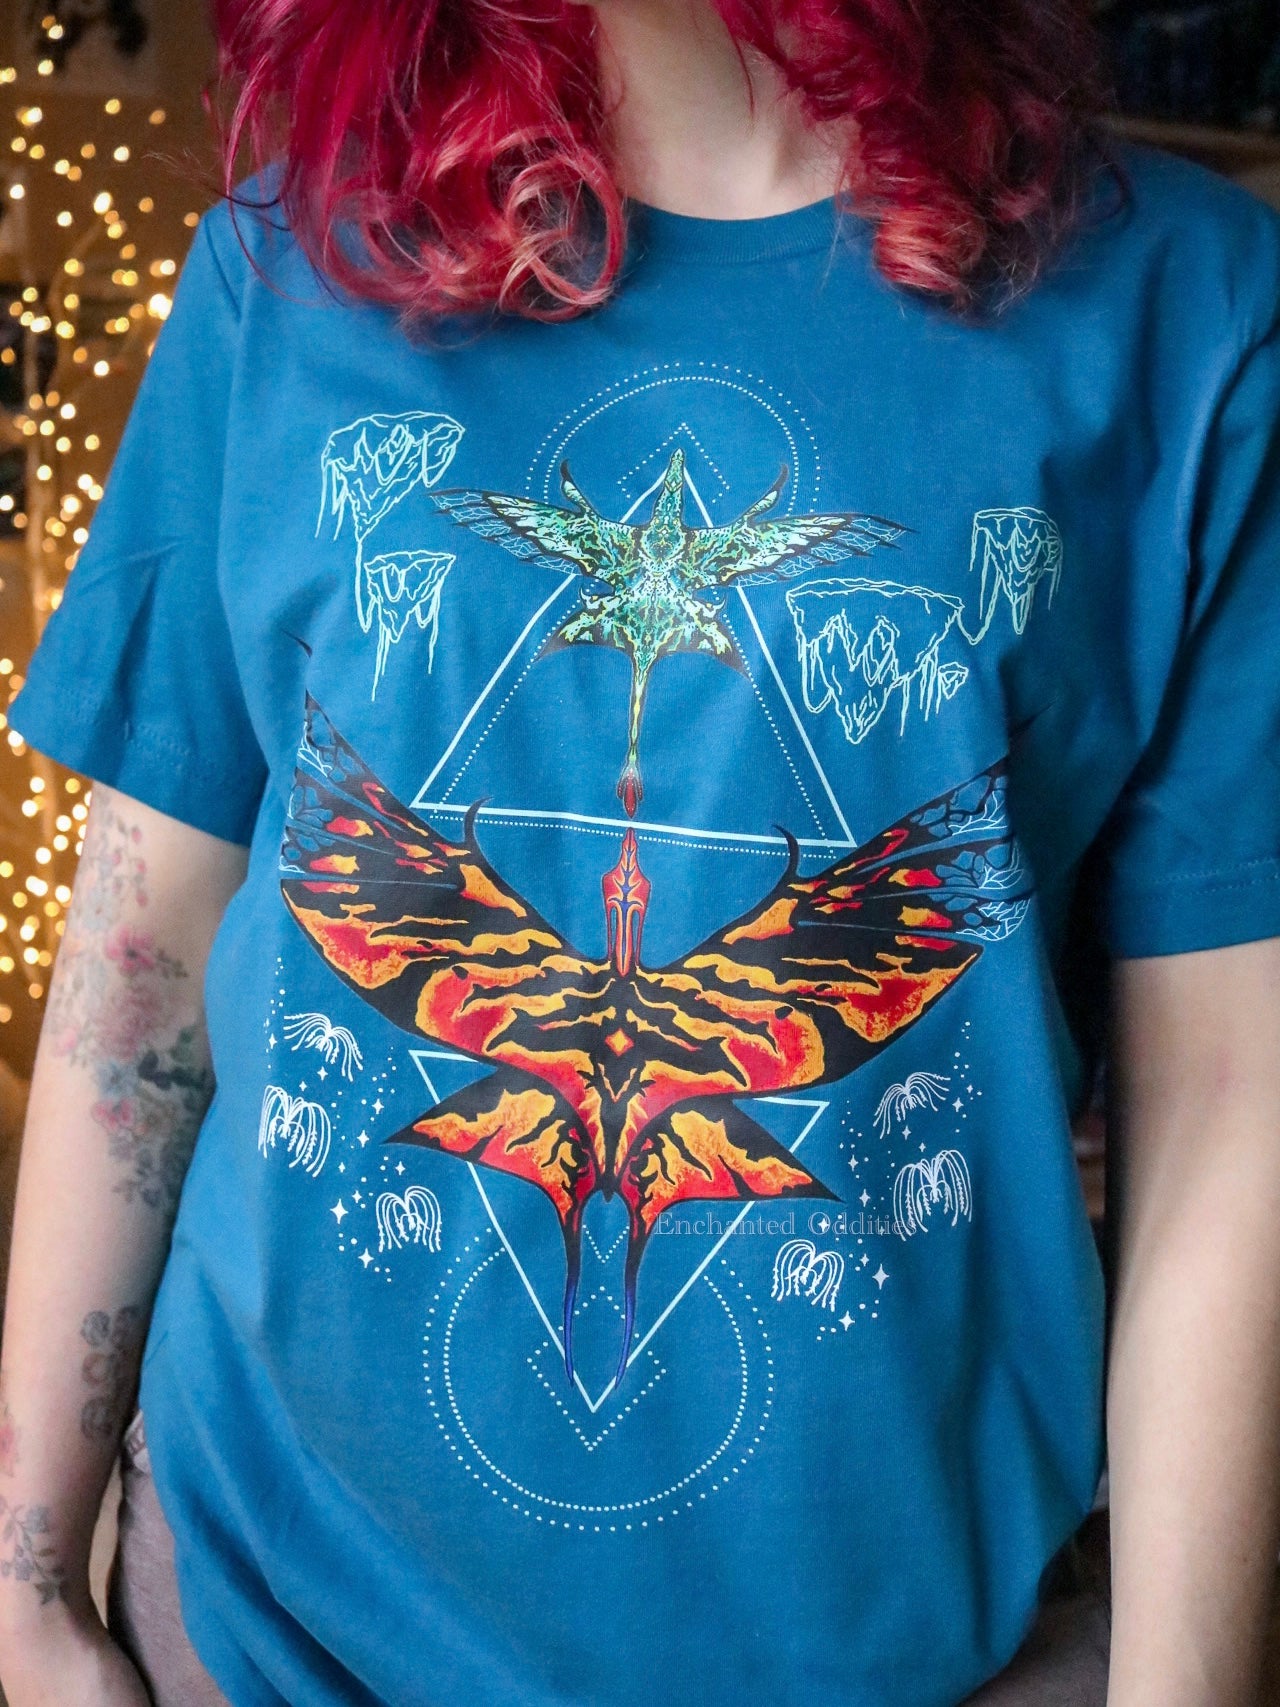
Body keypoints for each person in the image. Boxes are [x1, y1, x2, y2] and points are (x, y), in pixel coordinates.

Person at [1, 0, 1279, 1700]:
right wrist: (26, 1589)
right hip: (264, 1635)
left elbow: (1229, 1097)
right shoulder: (288, 266)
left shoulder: (1187, 311)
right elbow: (147, 944)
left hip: (907, 1648)